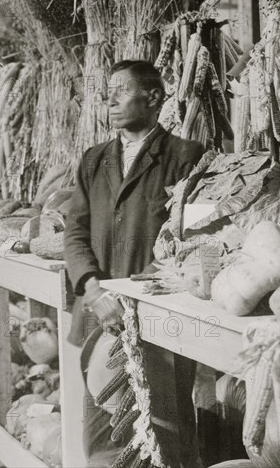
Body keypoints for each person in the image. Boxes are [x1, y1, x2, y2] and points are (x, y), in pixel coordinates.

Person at [64, 60, 205, 466]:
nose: (109, 100)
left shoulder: (185, 157)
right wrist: (94, 290)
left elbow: (194, 242)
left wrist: (134, 296)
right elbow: (75, 234)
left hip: (156, 324)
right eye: (107, 91)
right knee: (103, 439)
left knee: (164, 437)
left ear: (154, 97)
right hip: (97, 317)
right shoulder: (94, 160)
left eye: (121, 91)